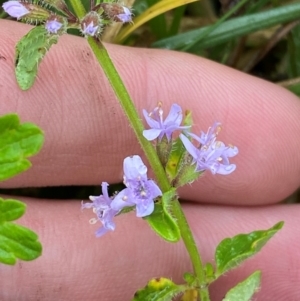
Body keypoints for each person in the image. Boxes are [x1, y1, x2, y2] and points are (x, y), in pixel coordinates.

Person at [0, 19, 299, 301]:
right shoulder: (146, 191)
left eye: (139, 188)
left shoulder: (157, 180)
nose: (141, 190)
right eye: (138, 188)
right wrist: (126, 200)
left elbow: (153, 191)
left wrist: (180, 166)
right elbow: (149, 193)